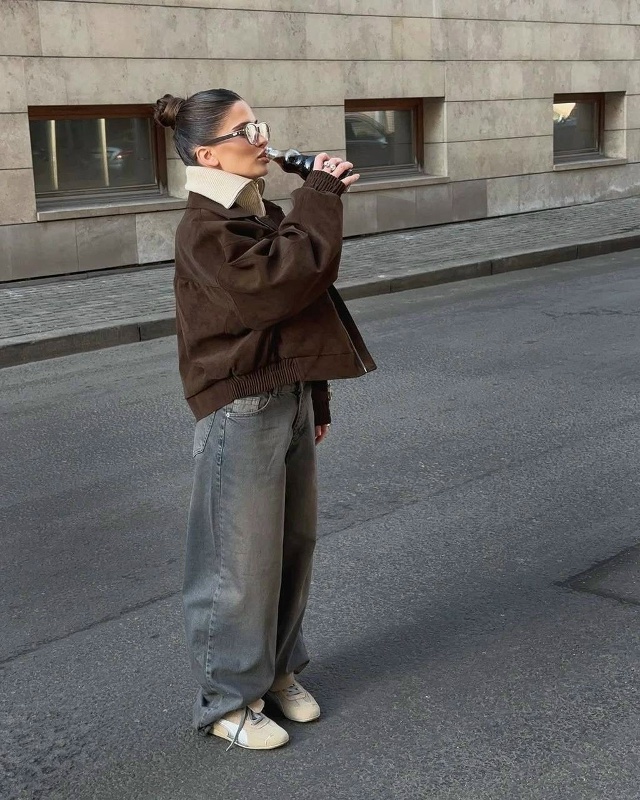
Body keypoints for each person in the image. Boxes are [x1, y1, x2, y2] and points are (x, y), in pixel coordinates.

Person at [154, 89, 376, 750]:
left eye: (259, 125)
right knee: (238, 563)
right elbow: (277, 288)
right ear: (207, 155)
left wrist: (318, 400)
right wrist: (321, 195)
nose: (261, 138)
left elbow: (302, 314)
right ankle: (227, 700)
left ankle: (275, 672)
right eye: (244, 130)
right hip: (241, 408)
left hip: (288, 397)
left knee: (291, 548)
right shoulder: (205, 229)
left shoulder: (256, 212)